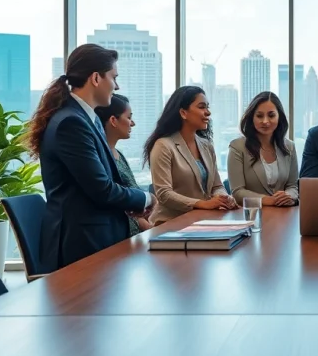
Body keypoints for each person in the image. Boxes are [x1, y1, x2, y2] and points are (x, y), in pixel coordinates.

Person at [26, 43, 155, 273]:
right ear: (96, 78)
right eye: (114, 77)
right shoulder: (71, 123)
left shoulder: (89, 119)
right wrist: (146, 199)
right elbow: (102, 189)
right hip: (81, 245)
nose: (117, 85)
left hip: (98, 237)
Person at [145, 86, 238, 225]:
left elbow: (216, 186)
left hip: (201, 221)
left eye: (207, 107)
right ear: (183, 112)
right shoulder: (163, 145)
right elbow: (164, 194)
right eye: (202, 107)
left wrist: (224, 197)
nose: (208, 112)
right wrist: (202, 204)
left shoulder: (206, 145)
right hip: (170, 224)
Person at [227, 91, 300, 206]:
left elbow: (293, 186)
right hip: (252, 215)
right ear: (252, 117)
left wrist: (289, 196)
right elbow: (238, 192)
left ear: (279, 117)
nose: (265, 121)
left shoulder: (289, 147)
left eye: (271, 115)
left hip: (284, 214)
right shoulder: (237, 147)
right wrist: (268, 200)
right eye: (259, 116)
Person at [94, 94, 152, 236]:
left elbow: (134, 202)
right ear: (113, 120)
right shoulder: (100, 157)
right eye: (129, 117)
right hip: (118, 236)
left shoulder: (119, 154)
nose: (132, 123)